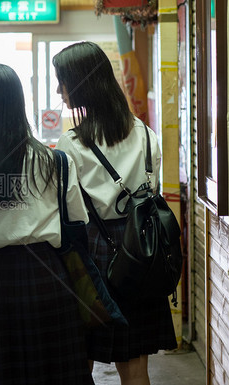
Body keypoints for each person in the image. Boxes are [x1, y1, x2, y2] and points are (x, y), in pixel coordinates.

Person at [0, 63, 94, 385]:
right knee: (54, 373)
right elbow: (77, 222)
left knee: (2, 373)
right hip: (50, 278)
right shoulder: (55, 161)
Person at [53, 41, 177, 385]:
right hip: (142, 251)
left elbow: (70, 210)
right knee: (136, 366)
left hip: (94, 252)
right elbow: (150, 192)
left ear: (79, 84)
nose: (58, 90)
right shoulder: (144, 133)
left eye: (61, 81)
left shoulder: (72, 144)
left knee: (81, 359)